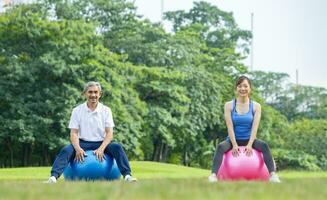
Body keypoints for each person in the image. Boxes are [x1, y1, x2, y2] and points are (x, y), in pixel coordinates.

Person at [46, 81, 137, 183]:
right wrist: (78, 149)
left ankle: (127, 176)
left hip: (102, 143)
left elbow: (109, 133)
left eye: (95, 92)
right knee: (66, 150)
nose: (93, 95)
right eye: (90, 92)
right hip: (82, 143)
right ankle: (53, 177)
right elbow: (74, 133)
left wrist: (101, 149)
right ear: (85, 93)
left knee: (117, 147)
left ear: (100, 94)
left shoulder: (106, 110)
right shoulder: (77, 110)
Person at [208, 75, 281, 183]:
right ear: (236, 88)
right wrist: (234, 144)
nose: (243, 89)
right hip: (233, 140)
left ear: (250, 88)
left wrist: (250, 144)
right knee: (220, 147)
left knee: (264, 146)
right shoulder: (229, 105)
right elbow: (230, 127)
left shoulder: (256, 106)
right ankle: (213, 175)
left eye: (245, 86)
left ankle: (273, 175)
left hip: (249, 139)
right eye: (240, 86)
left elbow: (255, 127)